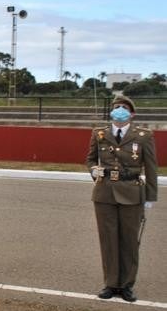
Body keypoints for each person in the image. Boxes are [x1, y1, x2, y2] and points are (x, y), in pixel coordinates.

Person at [86, 95, 157, 303]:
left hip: (132, 193)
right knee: (108, 240)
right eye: (116, 107)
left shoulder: (143, 136)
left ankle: (126, 285)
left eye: (124, 108)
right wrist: (93, 170)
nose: (119, 110)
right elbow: (90, 159)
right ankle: (110, 283)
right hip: (104, 193)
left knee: (129, 241)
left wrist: (150, 196)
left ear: (131, 114)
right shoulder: (99, 134)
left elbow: (152, 167)